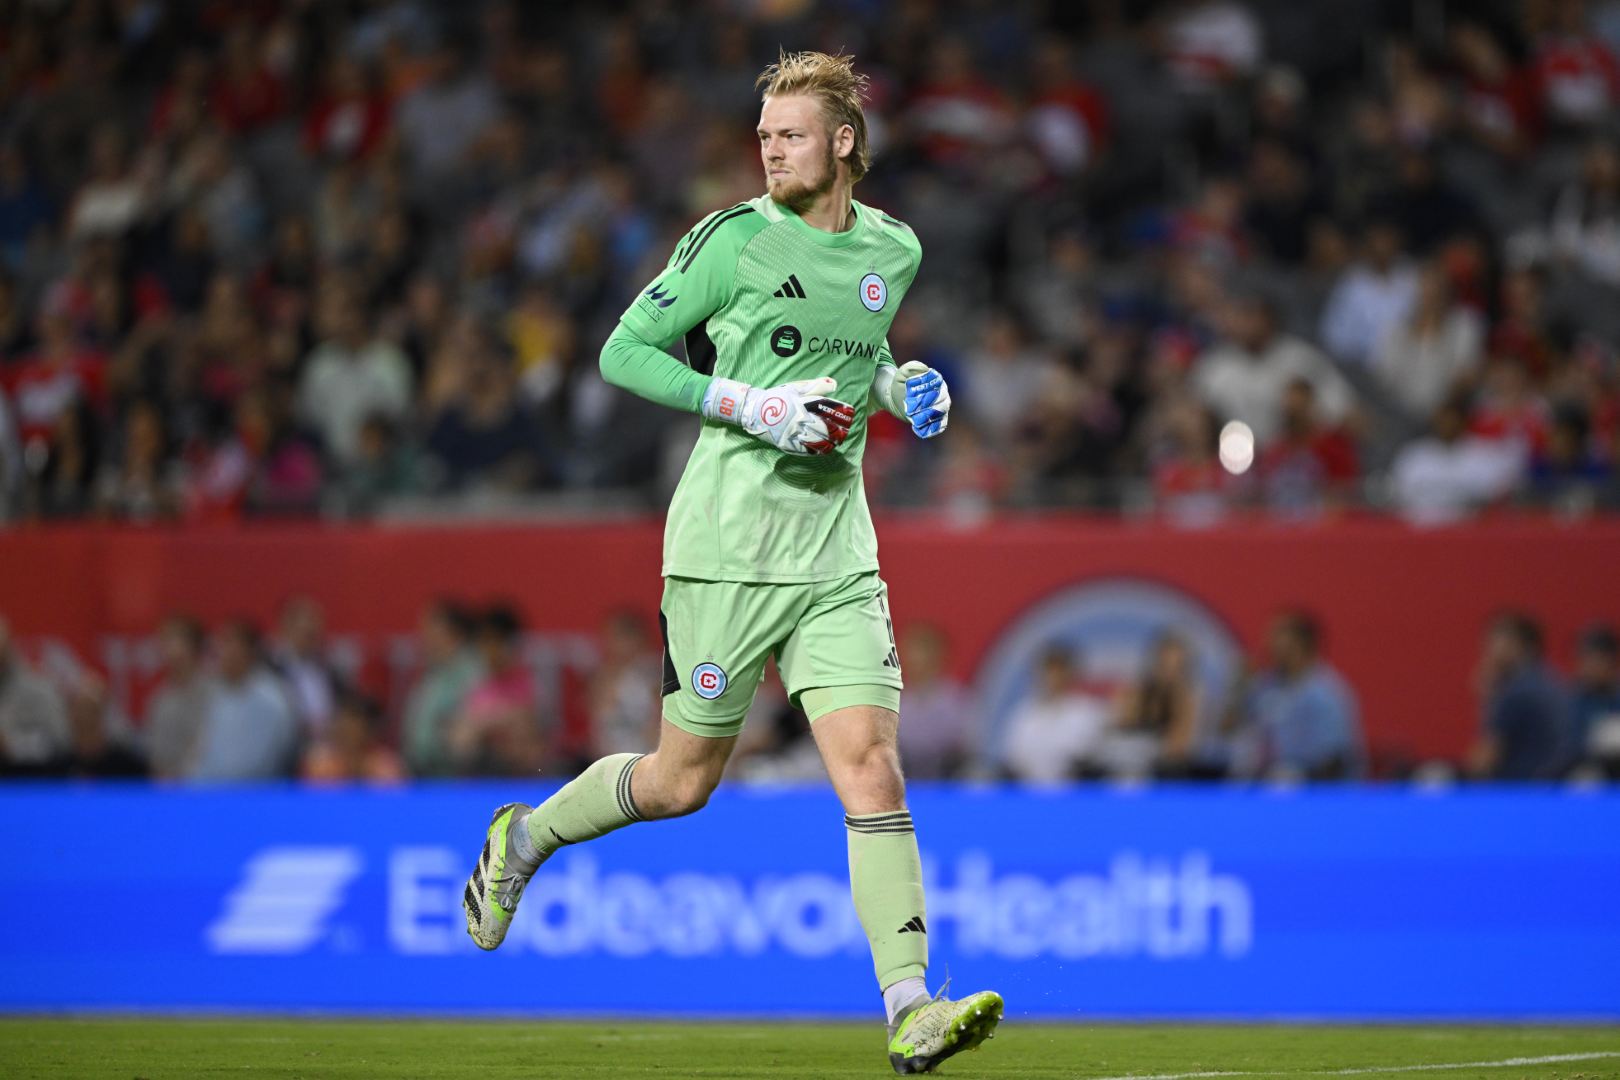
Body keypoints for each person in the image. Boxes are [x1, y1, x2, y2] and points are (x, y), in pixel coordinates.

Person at [456, 51, 1000, 1074]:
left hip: (837, 550)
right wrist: (750, 404)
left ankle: (910, 1007)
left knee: (871, 765)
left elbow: (856, 352)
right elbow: (625, 351)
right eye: (764, 134)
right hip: (725, 550)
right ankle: (524, 840)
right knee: (679, 783)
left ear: (843, 142)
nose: (770, 148)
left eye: (790, 133)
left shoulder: (897, 247)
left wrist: (901, 387)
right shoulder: (730, 241)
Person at [1232, 612, 1364, 780]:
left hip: (1318, 789)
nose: (1268, 643)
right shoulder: (1268, 685)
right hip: (1270, 780)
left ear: (1300, 644)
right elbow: (1228, 729)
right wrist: (1239, 688)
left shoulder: (1326, 693)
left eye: (1277, 637)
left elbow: (1335, 760)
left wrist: (1296, 777)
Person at [186, 619, 300, 782]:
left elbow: (255, 766)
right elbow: (201, 753)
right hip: (207, 794)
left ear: (248, 650)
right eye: (220, 643)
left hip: (250, 796)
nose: (220, 651)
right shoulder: (215, 695)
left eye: (228, 643)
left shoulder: (270, 700)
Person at [1468, 612, 1568, 780]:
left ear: (1520, 646)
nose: (1489, 651)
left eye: (1495, 642)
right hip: (1555, 786)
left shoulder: (1517, 692)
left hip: (1520, 790)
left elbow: (1482, 762)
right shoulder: (1552, 681)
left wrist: (1488, 698)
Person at [401, 599, 482, 778]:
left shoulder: (471, 673)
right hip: (419, 770)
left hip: (453, 775)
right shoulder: (431, 673)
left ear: (455, 634)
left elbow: (469, 724)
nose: (424, 637)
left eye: (432, 630)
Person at [144, 614, 218, 780]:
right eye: (164, 639)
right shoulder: (160, 698)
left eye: (173, 639)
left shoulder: (213, 693)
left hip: (201, 788)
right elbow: (154, 751)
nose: (166, 647)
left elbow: (208, 747)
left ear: (193, 645)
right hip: (163, 789)